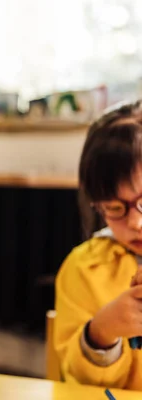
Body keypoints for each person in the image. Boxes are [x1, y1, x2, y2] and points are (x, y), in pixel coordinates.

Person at [55, 100, 142, 390]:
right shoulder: (84, 268)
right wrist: (102, 331)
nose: (135, 223)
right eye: (115, 208)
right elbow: (76, 386)